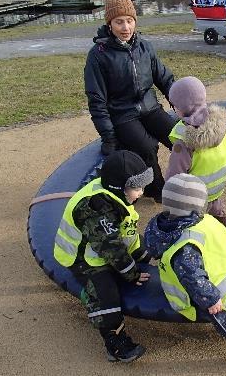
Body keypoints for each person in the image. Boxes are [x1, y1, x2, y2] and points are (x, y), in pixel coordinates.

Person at [144, 173, 226, 363]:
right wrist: (210, 299)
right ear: (194, 205)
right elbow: (193, 278)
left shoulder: (187, 219)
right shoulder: (185, 247)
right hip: (199, 294)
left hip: (216, 272)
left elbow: (219, 229)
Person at [53, 150, 154, 363]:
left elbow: (126, 230)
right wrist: (132, 274)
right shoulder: (95, 208)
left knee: (146, 250)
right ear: (119, 187)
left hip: (104, 247)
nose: (141, 193)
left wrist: (141, 253)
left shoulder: (115, 196)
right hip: (83, 259)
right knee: (105, 292)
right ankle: (114, 343)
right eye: (137, 188)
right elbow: (112, 248)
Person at [84, 0, 177, 202]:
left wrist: (180, 103)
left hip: (150, 107)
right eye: (119, 22)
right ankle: (158, 191)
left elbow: (164, 77)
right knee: (147, 148)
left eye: (129, 21)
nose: (125, 27)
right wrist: (109, 136)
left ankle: (187, 180)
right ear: (109, 24)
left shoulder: (144, 46)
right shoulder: (98, 55)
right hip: (123, 114)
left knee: (178, 137)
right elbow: (96, 100)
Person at [166, 76, 226, 242]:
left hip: (194, 197)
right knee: (217, 213)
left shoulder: (184, 142)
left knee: (188, 226)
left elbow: (174, 179)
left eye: (174, 106)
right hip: (216, 189)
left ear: (181, 109)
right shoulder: (218, 126)